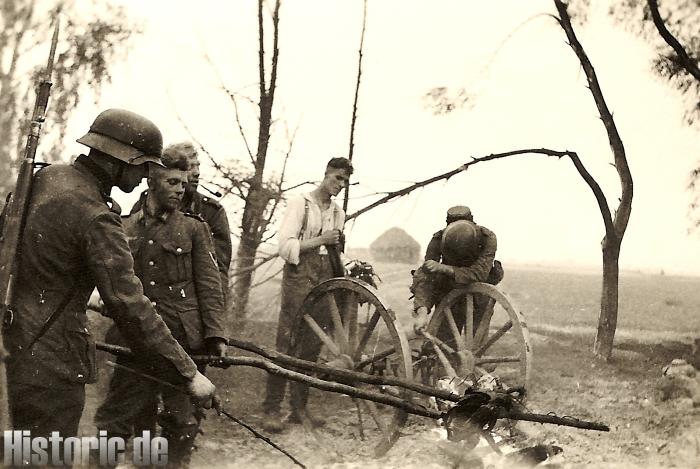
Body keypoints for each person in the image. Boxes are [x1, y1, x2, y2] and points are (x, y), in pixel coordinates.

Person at [2, 109, 215, 463]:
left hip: (16, 342)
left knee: (26, 455)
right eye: (143, 164)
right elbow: (130, 305)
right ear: (120, 161)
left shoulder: (47, 177)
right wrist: (188, 373)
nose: (148, 173)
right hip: (54, 360)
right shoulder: (97, 215)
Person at [94, 149, 227, 468]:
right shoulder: (126, 226)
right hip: (134, 341)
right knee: (117, 421)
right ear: (151, 181)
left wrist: (215, 336)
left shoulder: (195, 228)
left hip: (183, 341)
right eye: (172, 181)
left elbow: (210, 285)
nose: (181, 189)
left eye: (184, 183)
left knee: (182, 423)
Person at [261, 157, 353, 433]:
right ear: (325, 174)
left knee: (313, 345)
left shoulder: (338, 213)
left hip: (325, 277)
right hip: (299, 275)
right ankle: (271, 409)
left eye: (345, 182)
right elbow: (286, 247)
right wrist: (322, 240)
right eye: (337, 178)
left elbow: (336, 250)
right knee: (288, 342)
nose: (340, 185)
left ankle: (298, 409)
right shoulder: (300, 203)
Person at [130, 142, 232, 300]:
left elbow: (217, 275)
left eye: (198, 166)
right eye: (190, 166)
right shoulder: (144, 206)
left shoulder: (210, 212)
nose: (197, 173)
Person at [411, 205, 503, 336]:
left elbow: (478, 274)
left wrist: (443, 267)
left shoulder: (487, 238)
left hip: (479, 295)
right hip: (449, 292)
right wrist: (422, 312)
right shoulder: (437, 240)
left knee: (476, 345)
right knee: (444, 344)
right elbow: (425, 278)